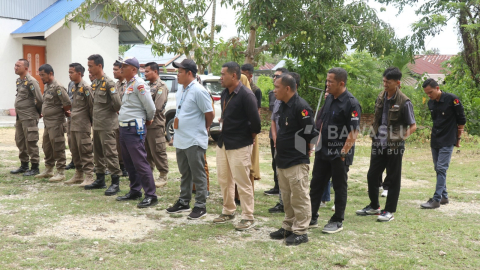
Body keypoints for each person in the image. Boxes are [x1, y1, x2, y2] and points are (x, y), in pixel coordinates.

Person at [356, 67, 417, 222]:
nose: (384, 84)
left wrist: (400, 139)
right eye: (383, 81)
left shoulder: (404, 101)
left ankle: (389, 211)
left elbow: (413, 126)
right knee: (372, 175)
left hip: (394, 147)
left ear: (397, 83)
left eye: (387, 82)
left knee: (393, 178)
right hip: (378, 143)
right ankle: (374, 206)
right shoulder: (381, 96)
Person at [309, 67, 361, 234]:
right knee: (316, 184)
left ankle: (337, 220)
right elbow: (322, 121)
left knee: (339, 187)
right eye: (327, 80)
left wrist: (344, 153)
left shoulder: (352, 103)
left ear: (341, 83)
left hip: (339, 153)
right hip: (323, 149)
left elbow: (354, 132)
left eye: (330, 81)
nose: (327, 84)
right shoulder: (329, 98)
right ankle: (311, 215)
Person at [269, 73, 318, 246]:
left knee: (299, 197)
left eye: (277, 87)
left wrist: (308, 151)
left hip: (296, 160)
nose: (274, 90)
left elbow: (311, 133)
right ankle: (288, 227)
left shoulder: (301, 106)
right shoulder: (282, 105)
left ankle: (301, 231)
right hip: (282, 159)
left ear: (287, 88)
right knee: (287, 197)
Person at [213, 62, 261, 231]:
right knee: (224, 178)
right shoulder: (225, 93)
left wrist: (249, 137)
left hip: (240, 144)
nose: (220, 77)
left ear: (233, 76)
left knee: (242, 180)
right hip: (224, 142)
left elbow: (256, 124)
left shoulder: (247, 95)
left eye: (223, 74)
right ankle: (228, 210)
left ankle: (248, 216)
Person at [165, 59, 214, 219]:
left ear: (189, 73)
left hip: (194, 139)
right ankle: (184, 201)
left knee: (198, 173)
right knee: (184, 172)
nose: (177, 75)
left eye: (180, 72)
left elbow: (210, 114)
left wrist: (202, 129)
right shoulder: (181, 89)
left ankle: (200, 205)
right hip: (181, 138)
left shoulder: (199, 91)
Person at [115, 57, 158, 208]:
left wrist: (148, 119)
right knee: (129, 162)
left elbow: (151, 107)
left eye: (124, 66)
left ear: (134, 69)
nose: (121, 68)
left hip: (134, 128)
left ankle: (151, 195)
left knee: (140, 162)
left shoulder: (139, 84)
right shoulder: (129, 83)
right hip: (125, 127)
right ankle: (135, 190)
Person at [420, 78, 466, 209]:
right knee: (438, 168)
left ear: (437, 88)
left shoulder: (452, 99)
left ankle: (436, 199)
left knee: (441, 168)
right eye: (427, 93)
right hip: (436, 139)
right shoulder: (431, 103)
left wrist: (458, 139)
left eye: (430, 92)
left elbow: (461, 119)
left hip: (448, 139)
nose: (429, 95)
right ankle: (444, 196)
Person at [85, 54, 123, 196]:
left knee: (111, 153)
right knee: (98, 154)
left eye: (90, 66)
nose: (89, 69)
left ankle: (115, 182)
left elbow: (118, 104)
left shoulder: (109, 83)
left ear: (99, 66)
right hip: (98, 125)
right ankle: (100, 179)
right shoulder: (96, 83)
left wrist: (109, 113)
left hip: (107, 125)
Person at [34, 64, 71, 182]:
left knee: (58, 146)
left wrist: (61, 113)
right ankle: (49, 169)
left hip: (56, 122)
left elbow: (67, 103)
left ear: (50, 74)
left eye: (43, 75)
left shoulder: (58, 87)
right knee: (47, 146)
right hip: (47, 122)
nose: (41, 78)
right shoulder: (48, 86)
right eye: (40, 75)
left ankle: (60, 171)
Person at [63, 63, 95, 186]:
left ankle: (89, 176)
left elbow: (91, 106)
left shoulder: (86, 87)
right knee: (74, 149)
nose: (69, 75)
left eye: (71, 72)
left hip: (82, 124)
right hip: (72, 122)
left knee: (85, 150)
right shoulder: (73, 86)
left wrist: (91, 123)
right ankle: (78, 174)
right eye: (69, 72)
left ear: (79, 73)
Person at [11, 59, 43, 176]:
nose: (15, 67)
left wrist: (38, 112)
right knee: (20, 141)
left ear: (25, 68)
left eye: (18, 65)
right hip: (20, 117)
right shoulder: (20, 81)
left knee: (31, 141)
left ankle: (35, 167)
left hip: (29, 116)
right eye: (15, 65)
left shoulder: (31, 81)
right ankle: (24, 165)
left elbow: (39, 99)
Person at [144, 62, 170, 188]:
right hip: (145, 124)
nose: (145, 73)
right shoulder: (146, 86)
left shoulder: (161, 86)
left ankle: (163, 175)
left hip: (155, 124)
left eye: (147, 71)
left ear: (155, 71)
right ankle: (148, 175)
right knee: (147, 151)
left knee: (158, 150)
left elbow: (158, 106)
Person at [267, 68, 289, 214]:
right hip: (277, 141)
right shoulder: (276, 99)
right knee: (278, 169)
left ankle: (288, 204)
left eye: (277, 77)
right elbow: (273, 120)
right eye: (274, 77)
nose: (274, 79)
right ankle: (282, 202)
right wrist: (275, 138)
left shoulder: (298, 105)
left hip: (290, 146)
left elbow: (307, 131)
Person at [113, 60, 128, 177]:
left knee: (126, 145)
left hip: (126, 119)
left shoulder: (129, 84)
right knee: (117, 144)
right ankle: (121, 166)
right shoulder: (116, 85)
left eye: (115, 70)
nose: (113, 72)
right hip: (115, 119)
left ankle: (127, 166)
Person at [65, 81, 76, 171]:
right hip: (69, 117)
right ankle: (74, 160)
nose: (70, 74)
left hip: (77, 117)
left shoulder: (83, 86)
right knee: (70, 139)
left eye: (72, 72)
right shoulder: (71, 83)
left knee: (79, 141)